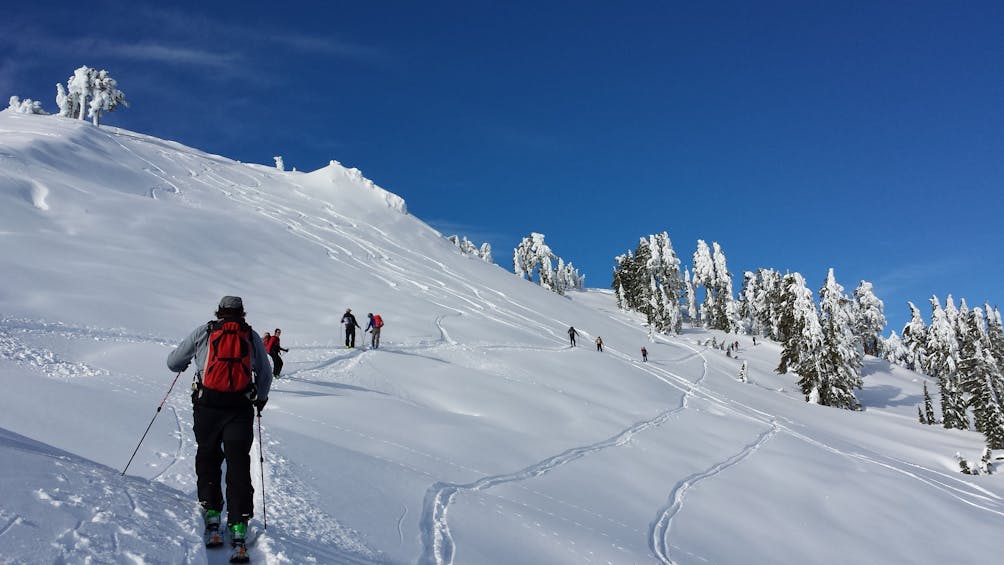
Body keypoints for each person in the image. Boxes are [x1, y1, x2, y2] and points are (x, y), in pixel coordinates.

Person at [166, 296, 272, 555]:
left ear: (219, 311)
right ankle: (238, 524)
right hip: (240, 408)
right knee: (237, 462)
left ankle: (212, 512)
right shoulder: (250, 335)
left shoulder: (205, 331)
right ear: (242, 313)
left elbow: (173, 362)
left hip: (208, 406)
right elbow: (266, 373)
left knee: (209, 455)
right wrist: (260, 398)